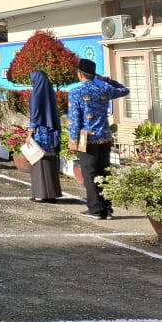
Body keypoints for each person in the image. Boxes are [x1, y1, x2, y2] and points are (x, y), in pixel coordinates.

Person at [68, 57, 129, 220]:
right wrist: (107, 80)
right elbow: (125, 90)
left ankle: (95, 209)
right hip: (105, 136)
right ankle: (107, 209)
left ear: (80, 74)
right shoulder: (105, 90)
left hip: (86, 137)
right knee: (104, 172)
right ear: (94, 75)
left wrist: (73, 140)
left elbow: (75, 120)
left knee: (90, 173)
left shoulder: (75, 92)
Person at [26, 69, 63, 203]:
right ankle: (52, 194)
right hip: (52, 133)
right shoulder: (50, 93)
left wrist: (29, 133)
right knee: (51, 163)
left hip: (40, 133)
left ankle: (40, 194)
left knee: (39, 161)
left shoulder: (36, 93)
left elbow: (35, 116)